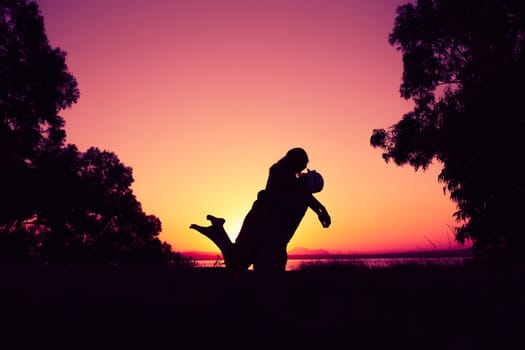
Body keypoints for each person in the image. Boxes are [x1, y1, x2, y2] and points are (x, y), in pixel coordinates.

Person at [190, 147, 331, 276]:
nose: (301, 173)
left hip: (262, 225)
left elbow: (303, 195)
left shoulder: (294, 186)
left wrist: (320, 210)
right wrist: (321, 210)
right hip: (257, 222)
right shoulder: (279, 171)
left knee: (238, 263)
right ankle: (218, 231)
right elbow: (301, 194)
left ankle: (218, 231)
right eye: (302, 169)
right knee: (237, 263)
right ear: (295, 162)